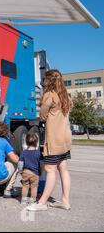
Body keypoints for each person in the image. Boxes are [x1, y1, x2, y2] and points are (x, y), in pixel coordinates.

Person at [27, 70, 73, 212]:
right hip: (65, 138)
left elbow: (42, 116)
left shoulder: (49, 95)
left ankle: (42, 203)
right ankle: (65, 200)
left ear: (49, 80)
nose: (43, 81)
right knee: (63, 169)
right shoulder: (65, 96)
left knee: (50, 170)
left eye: (45, 79)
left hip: (54, 138)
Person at [18, 132, 44, 205]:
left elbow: (20, 163)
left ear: (26, 142)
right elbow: (41, 164)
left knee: (25, 186)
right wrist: (41, 171)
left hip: (25, 172)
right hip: (35, 173)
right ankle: (33, 200)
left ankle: (23, 200)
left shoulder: (23, 152)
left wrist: (20, 171)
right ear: (36, 143)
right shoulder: (39, 153)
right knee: (34, 187)